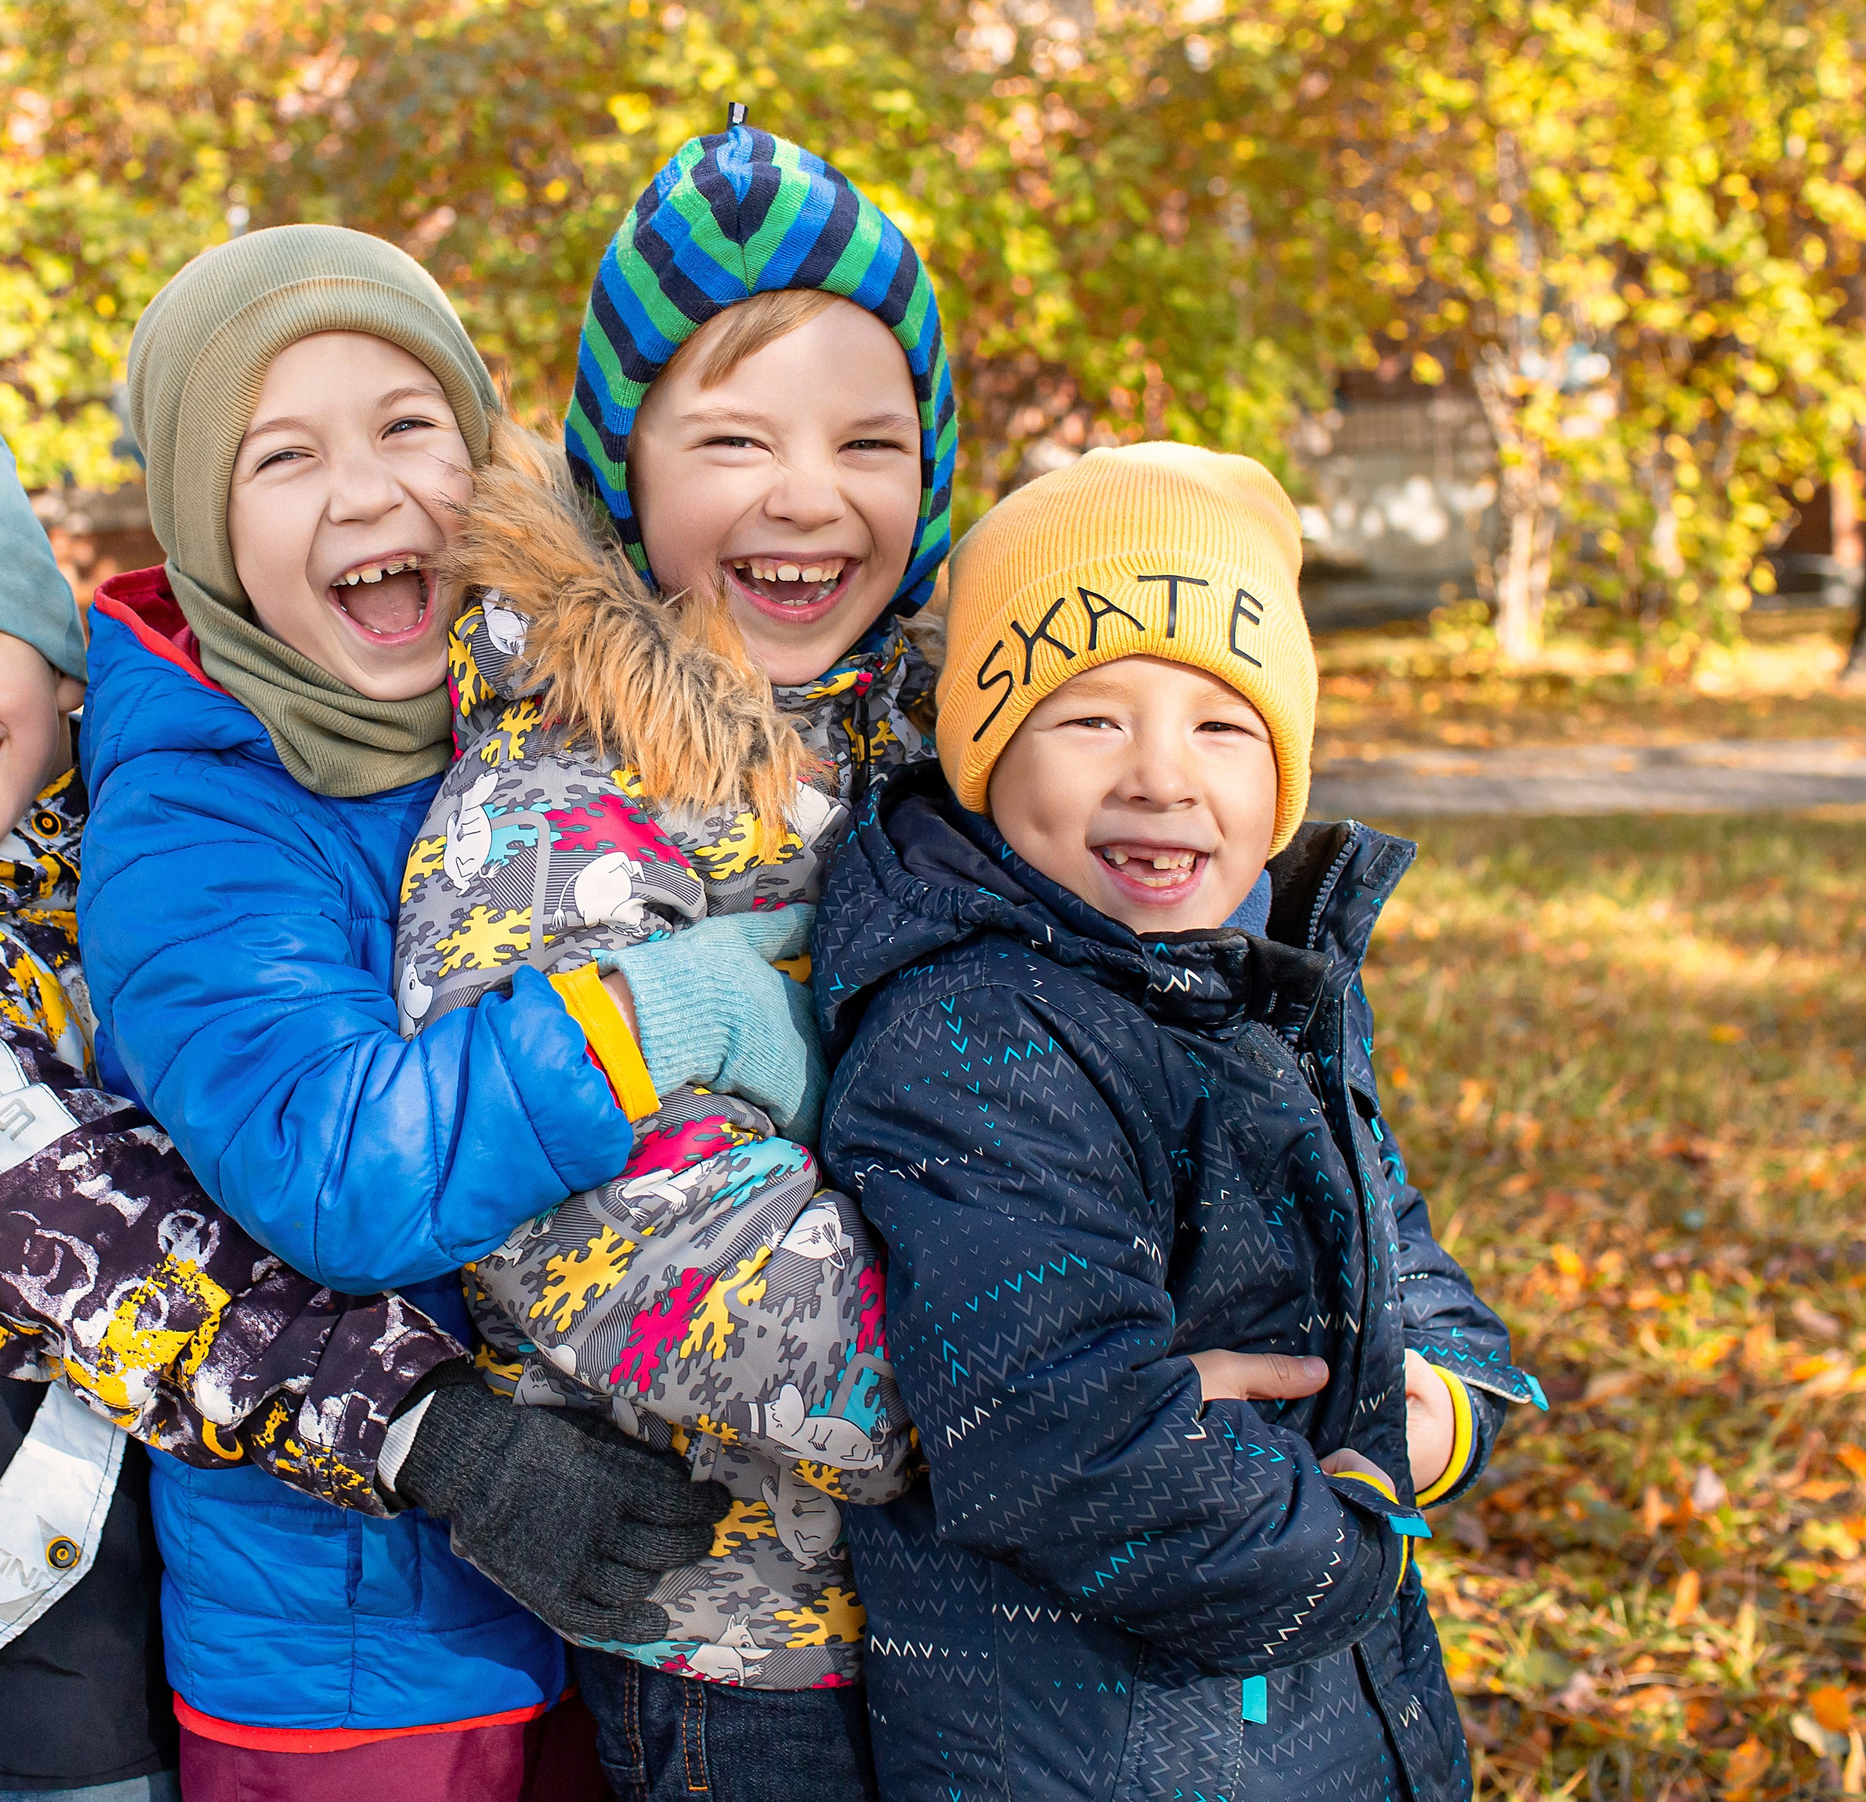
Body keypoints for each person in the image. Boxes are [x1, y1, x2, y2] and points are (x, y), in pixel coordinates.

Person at [0, 372, 676, 1798]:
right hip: (15, 1612)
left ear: (55, 654)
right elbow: (114, 1252)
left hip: (176, 1529)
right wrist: (436, 1433)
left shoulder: (125, 829)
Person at [79, 225, 791, 1797]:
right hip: (353, 1662)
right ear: (205, 520)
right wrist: (665, 1014)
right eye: (282, 456)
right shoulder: (194, 827)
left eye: (410, 424)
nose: (367, 490)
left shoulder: (519, 719)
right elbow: (341, 1169)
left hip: (600, 1582)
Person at [811, 443, 1541, 1802]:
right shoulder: (974, 1030)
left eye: (1220, 723)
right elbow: (1064, 1438)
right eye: (1089, 718)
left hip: (1313, 1709)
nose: (1159, 773)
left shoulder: (1265, 985)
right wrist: (1352, 1539)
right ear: (984, 755)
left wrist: (1443, 1402)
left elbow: (1398, 1246)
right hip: (1099, 1744)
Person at [388, 120, 953, 1802]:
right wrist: (1045, 1379)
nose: (808, 493)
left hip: (980, 1611)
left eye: (872, 437)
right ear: (625, 467)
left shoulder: (950, 759)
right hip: (744, 1647)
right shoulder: (554, 799)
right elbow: (611, 1236)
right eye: (735, 438)